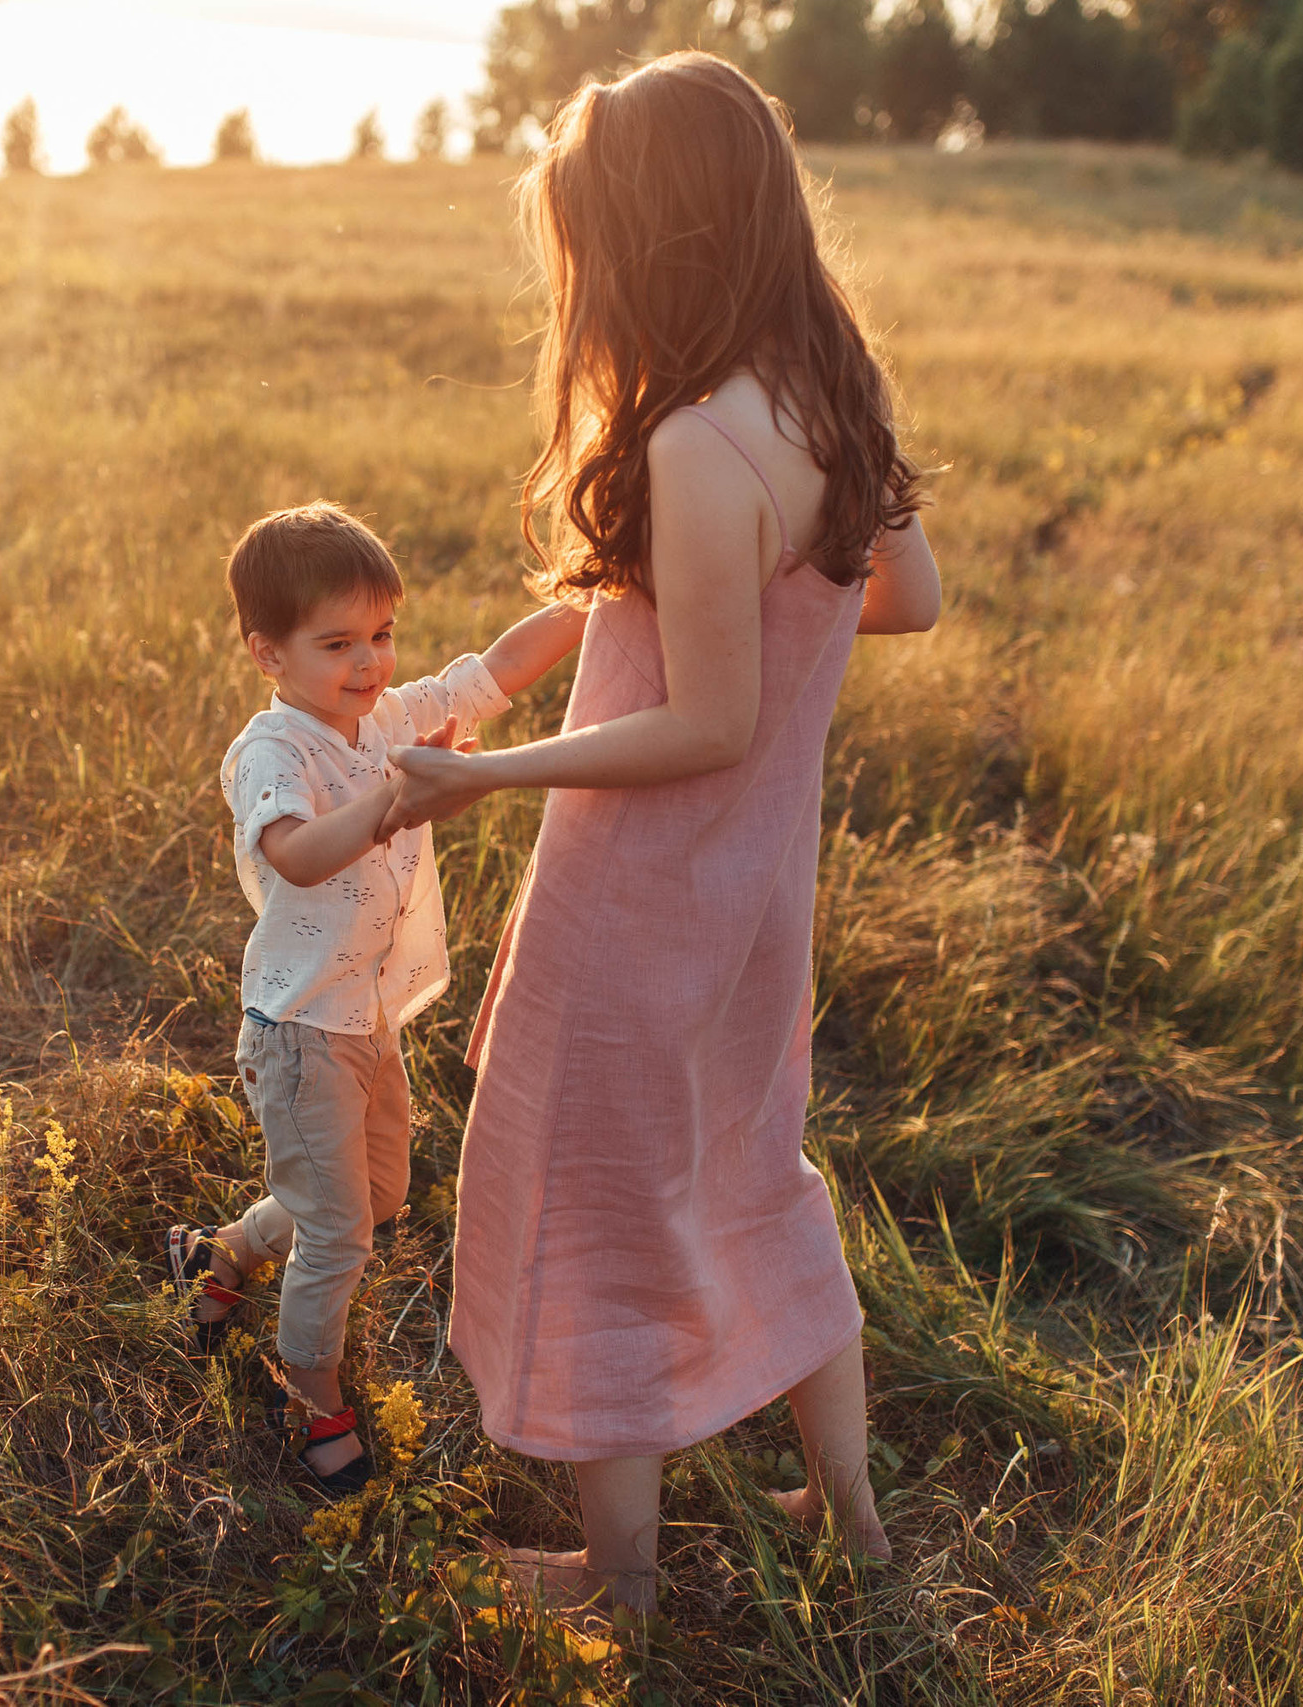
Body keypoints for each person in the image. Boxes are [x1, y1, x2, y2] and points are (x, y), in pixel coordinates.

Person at [382, 53, 944, 1613]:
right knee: (758, 1165)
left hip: (635, 910)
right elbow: (911, 595)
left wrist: (478, 781)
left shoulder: (700, 440)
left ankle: (614, 1576)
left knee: (592, 1197)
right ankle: (860, 1528)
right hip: (757, 899)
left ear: (645, 244)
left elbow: (710, 722)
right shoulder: (828, 392)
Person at [168, 502, 587, 1494]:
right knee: (339, 1233)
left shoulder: (384, 718)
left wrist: (590, 599)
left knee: (380, 1194)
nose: (370, 663)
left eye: (382, 636)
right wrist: (402, 796)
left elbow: (489, 672)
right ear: (267, 654)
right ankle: (310, 1395)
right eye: (338, 644)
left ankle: (221, 1254)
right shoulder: (273, 754)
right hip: (301, 1030)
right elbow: (301, 858)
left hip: (365, 1019)